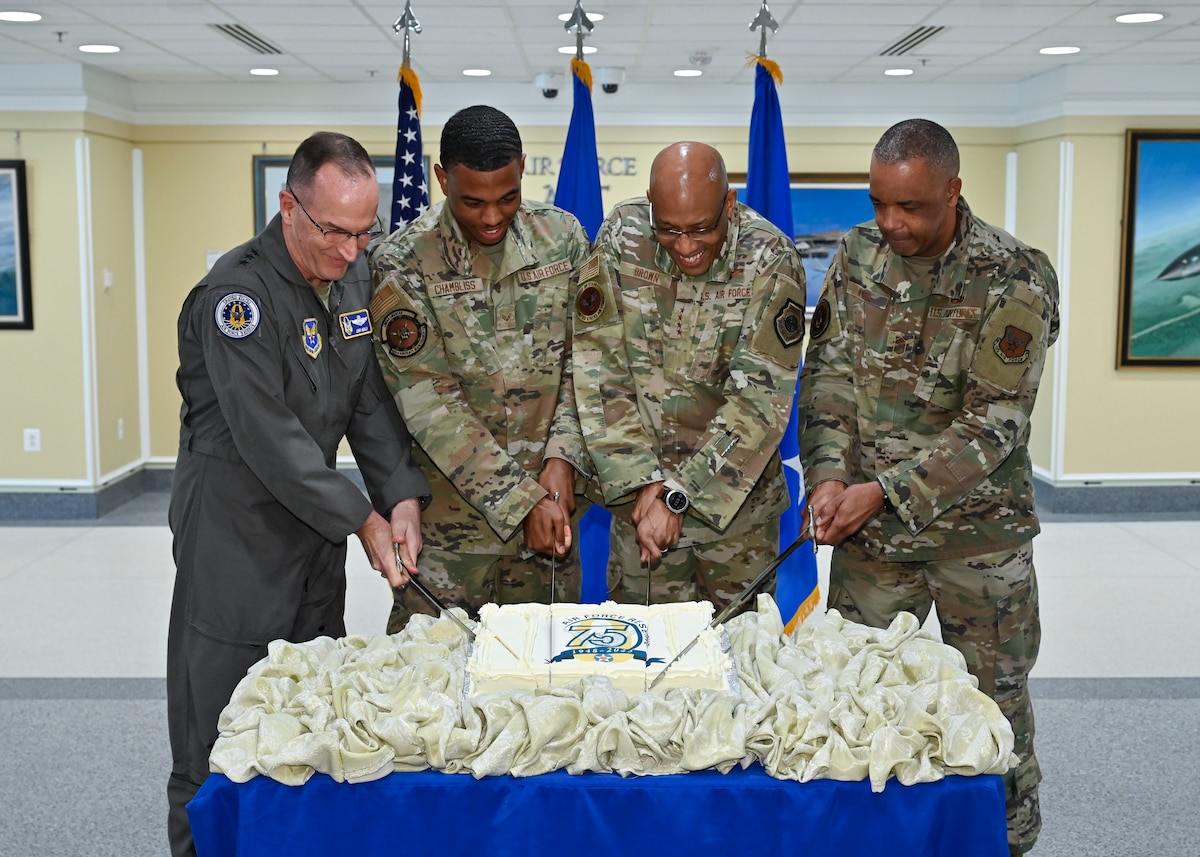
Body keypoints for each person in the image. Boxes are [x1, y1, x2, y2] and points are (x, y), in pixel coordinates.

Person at [799, 118, 1059, 856]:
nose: (892, 222)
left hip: (980, 540)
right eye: (881, 203)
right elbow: (828, 381)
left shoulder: (1013, 275)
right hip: (872, 540)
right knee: (863, 696)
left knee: (992, 702)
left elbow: (995, 422)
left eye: (911, 207)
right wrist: (826, 475)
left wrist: (880, 489)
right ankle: (871, 840)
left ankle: (1007, 838)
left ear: (954, 190)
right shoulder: (856, 256)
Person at [166, 131, 430, 857]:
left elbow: (366, 402)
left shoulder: (347, 277)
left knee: (312, 724)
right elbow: (267, 437)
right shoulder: (236, 296)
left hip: (314, 542)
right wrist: (364, 519)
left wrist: (400, 494)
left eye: (364, 232)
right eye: (335, 232)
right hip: (235, 542)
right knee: (218, 742)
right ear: (289, 208)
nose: (352, 252)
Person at [369, 105, 592, 633]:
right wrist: (522, 500)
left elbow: (587, 366)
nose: (492, 217)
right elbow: (428, 401)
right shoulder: (403, 261)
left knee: (546, 693)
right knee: (430, 694)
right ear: (442, 179)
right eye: (472, 201)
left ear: (522, 168)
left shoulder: (562, 239)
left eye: (507, 198)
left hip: (551, 528)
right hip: (448, 538)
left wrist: (561, 460)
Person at [572, 141, 807, 610]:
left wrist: (677, 496)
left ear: (729, 203)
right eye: (669, 230)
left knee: (740, 664)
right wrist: (642, 482)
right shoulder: (623, 235)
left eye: (701, 229)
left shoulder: (771, 260)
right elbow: (598, 367)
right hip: (640, 508)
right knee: (641, 665)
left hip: (735, 521)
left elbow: (758, 404)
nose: (685, 247)